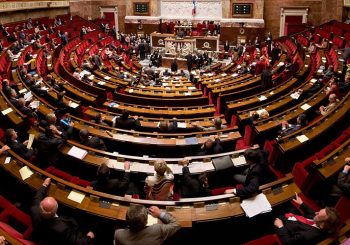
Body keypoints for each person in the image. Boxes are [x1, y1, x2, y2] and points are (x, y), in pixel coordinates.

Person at [30, 178, 95, 245]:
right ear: (56, 209)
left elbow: (37, 197)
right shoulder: (62, 228)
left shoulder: (34, 210)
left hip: (42, 235)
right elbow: (78, 243)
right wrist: (89, 237)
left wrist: (45, 184)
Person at [274, 193, 340, 245]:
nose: (316, 213)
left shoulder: (307, 235)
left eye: (318, 215)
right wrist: (301, 203)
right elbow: (313, 213)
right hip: (296, 218)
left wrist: (280, 227)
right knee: (287, 203)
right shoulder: (322, 223)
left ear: (322, 224)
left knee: (273, 210)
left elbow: (288, 243)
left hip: (283, 224)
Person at [114, 205, 180, 245]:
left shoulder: (118, 234)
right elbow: (176, 224)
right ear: (146, 221)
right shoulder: (158, 230)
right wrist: (160, 213)